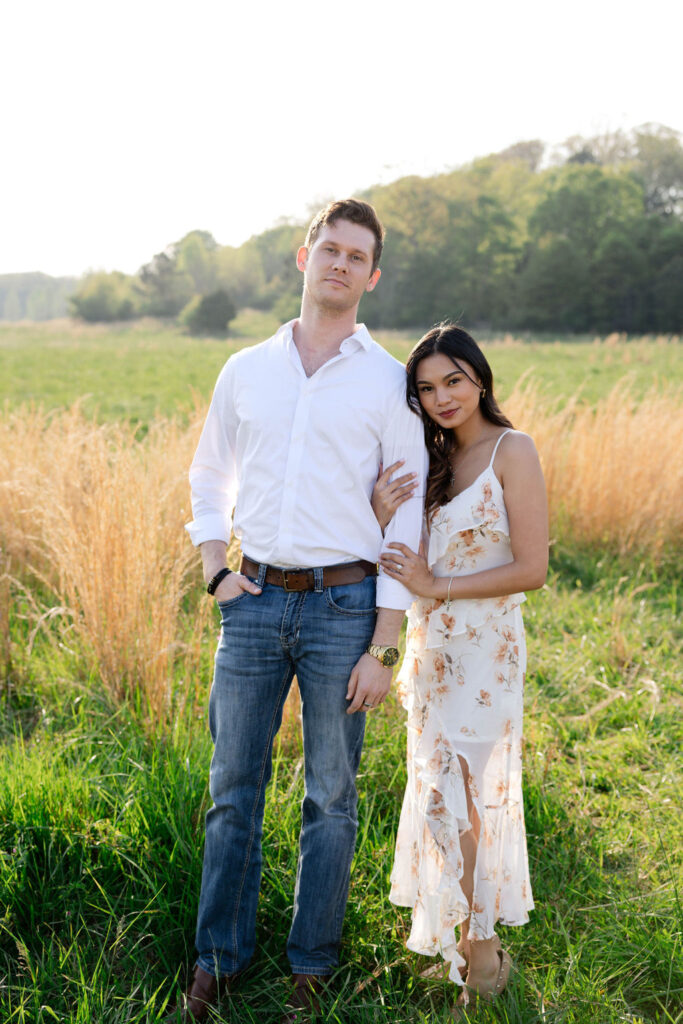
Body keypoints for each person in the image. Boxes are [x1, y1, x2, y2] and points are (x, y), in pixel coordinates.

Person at [177, 199, 428, 1023]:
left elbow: (405, 516)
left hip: (344, 608)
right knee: (231, 789)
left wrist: (382, 645)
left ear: (373, 275)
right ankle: (217, 959)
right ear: (302, 257)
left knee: (330, 796)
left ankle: (309, 970)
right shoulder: (246, 369)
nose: (341, 265)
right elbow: (209, 472)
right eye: (330, 249)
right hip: (251, 603)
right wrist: (215, 569)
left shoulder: (389, 381)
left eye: (358, 256)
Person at [371, 322, 548, 1015]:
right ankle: (458, 932)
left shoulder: (513, 450)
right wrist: (380, 511)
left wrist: (436, 585)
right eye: (426, 387)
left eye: (453, 380)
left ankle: (481, 945)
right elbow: (409, 560)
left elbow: (530, 568)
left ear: (479, 379)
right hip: (432, 650)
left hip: (487, 649)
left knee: (470, 793)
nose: (442, 397)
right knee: (439, 792)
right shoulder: (429, 457)